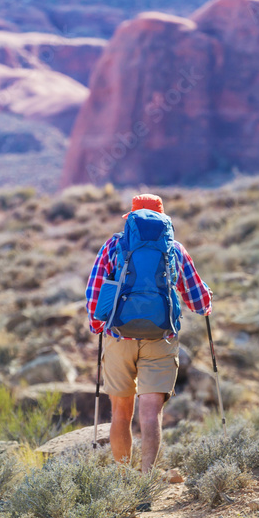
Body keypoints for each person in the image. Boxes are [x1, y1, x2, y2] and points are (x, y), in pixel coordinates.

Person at [85, 193, 212, 474]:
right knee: (151, 413)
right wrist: (207, 303)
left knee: (120, 413)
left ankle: (122, 479)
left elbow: (94, 293)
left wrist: (98, 326)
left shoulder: (113, 245)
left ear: (130, 218)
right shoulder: (174, 249)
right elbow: (199, 301)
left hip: (119, 337)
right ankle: (145, 480)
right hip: (161, 338)